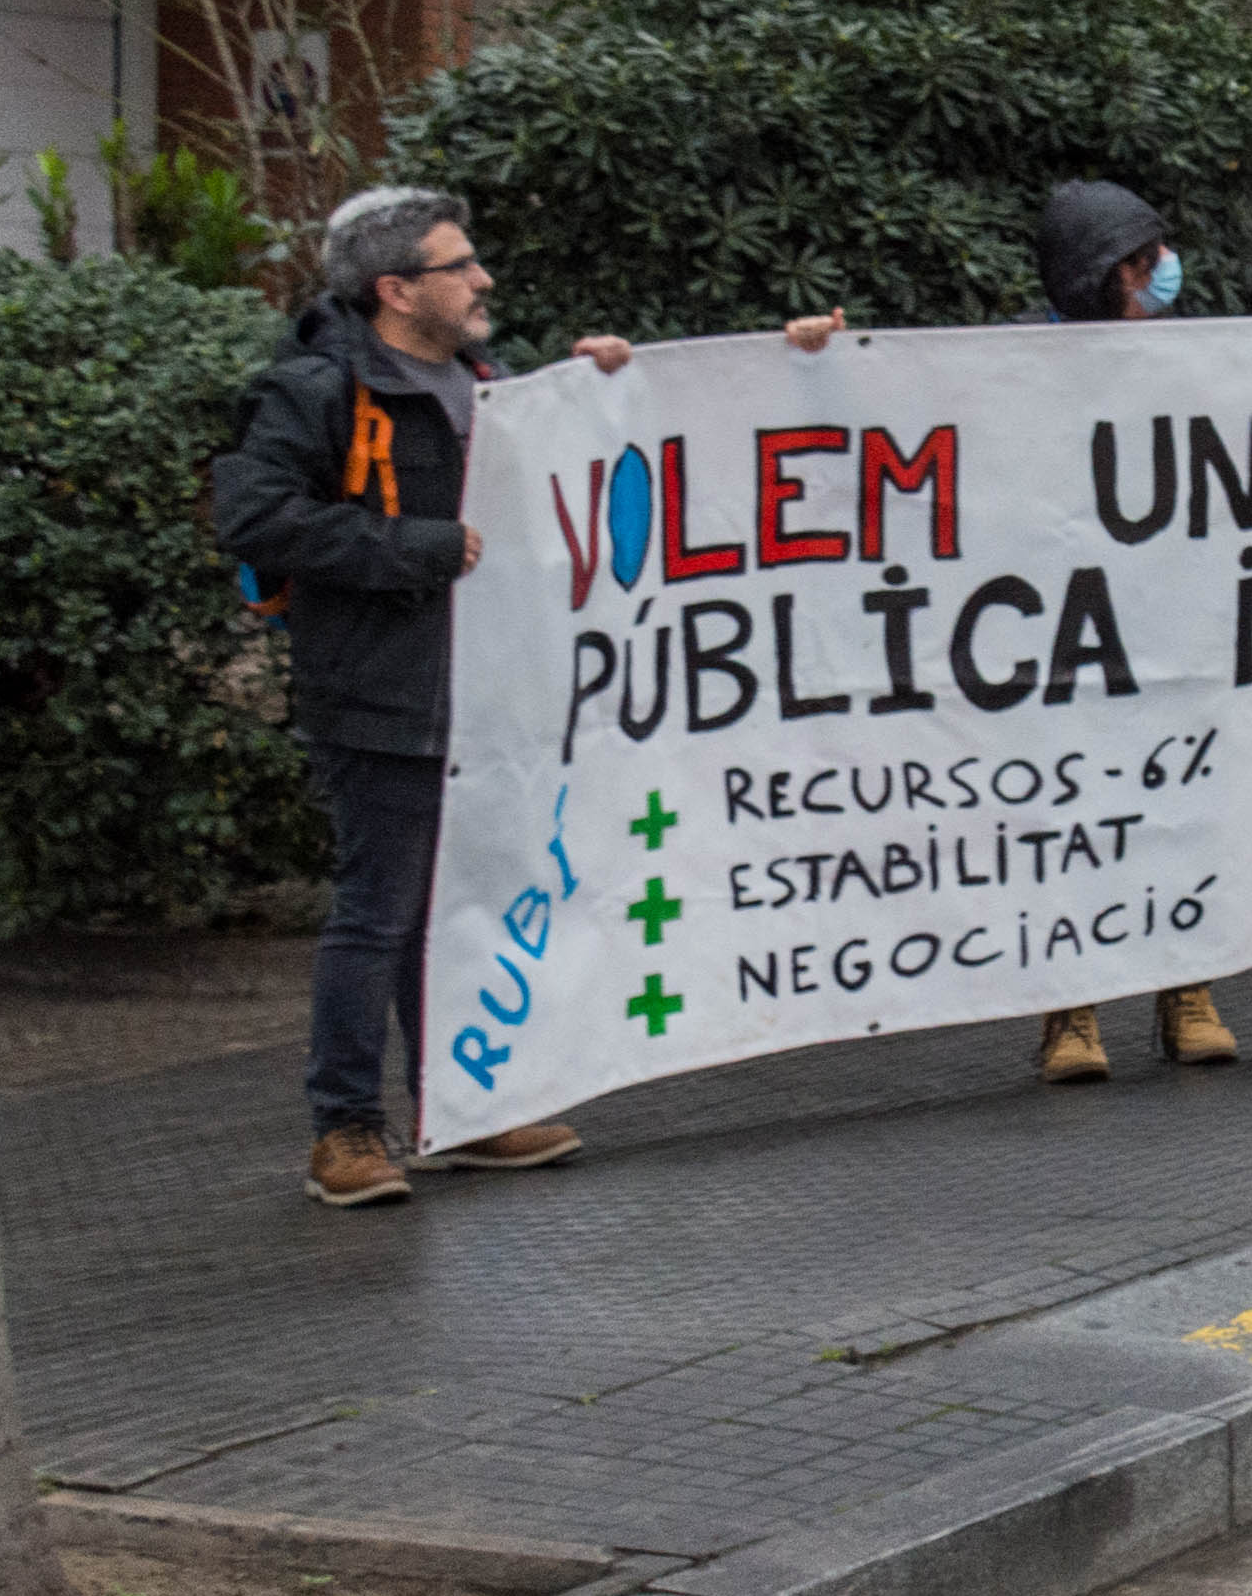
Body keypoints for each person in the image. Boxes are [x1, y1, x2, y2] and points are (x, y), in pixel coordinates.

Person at [216, 192, 832, 1205]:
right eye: (460, 265)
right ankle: (346, 1131)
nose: (483, 279)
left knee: (448, 908)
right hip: (380, 695)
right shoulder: (316, 390)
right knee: (379, 911)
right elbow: (256, 518)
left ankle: (453, 1113)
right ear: (396, 288)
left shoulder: (488, 383)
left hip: (489, 696)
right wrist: (414, 549)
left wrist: (609, 388)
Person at [1019, 183, 1252, 1083]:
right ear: (1100, 272)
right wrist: (818, 357)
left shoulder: (1193, 354)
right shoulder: (1015, 359)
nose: (1165, 274)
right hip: (1071, 634)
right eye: (1146, 263)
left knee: (1185, 806)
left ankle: (1187, 988)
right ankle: (1070, 1010)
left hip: (1176, 623)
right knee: (1076, 814)